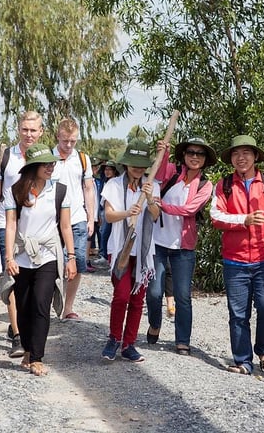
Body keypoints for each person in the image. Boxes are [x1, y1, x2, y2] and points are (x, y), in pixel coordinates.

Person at [210, 135, 264, 375]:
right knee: (238, 314)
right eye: (237, 154)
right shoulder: (224, 184)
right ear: (231, 159)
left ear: (255, 156)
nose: (241, 158)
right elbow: (216, 216)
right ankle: (243, 361)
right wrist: (243, 220)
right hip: (234, 260)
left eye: (246, 153)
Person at [3, 143, 78, 376]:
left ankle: (37, 357)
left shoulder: (59, 190)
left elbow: (65, 226)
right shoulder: (15, 191)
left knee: (40, 304)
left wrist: (71, 257)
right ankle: (26, 348)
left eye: (52, 163)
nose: (50, 167)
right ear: (33, 166)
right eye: (45, 164)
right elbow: (11, 224)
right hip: (22, 256)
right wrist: (8, 257)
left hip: (47, 255)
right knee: (24, 307)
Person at [147, 136, 216, 355]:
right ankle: (155, 323)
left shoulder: (206, 185)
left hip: (184, 246)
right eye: (191, 152)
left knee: (183, 295)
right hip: (158, 241)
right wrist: (164, 151)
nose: (195, 157)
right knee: (155, 291)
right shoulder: (173, 172)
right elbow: (158, 174)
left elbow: (190, 209)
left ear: (205, 159)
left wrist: (164, 206)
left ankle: (182, 340)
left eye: (200, 154)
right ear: (184, 155)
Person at [100, 139, 160, 362]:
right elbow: (108, 215)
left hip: (144, 253)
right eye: (133, 163)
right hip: (120, 249)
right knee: (121, 295)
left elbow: (155, 215)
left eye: (141, 164)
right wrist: (127, 213)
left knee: (137, 300)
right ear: (126, 164)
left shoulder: (153, 184)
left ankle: (129, 344)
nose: (137, 168)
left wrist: (150, 199)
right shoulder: (114, 185)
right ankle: (114, 338)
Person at [0, 110, 44, 357]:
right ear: (18, 130)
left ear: (41, 132)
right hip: (8, 225)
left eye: (33, 130)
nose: (29, 134)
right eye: (25, 129)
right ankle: (17, 335)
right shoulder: (7, 157)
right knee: (13, 279)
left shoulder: (45, 157)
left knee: (33, 285)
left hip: (38, 231)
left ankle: (26, 328)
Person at [50, 117, 95, 321]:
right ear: (58, 136)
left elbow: (88, 189)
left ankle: (68, 307)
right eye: (65, 141)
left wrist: (91, 218)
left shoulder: (83, 159)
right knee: (51, 264)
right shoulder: (48, 158)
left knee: (77, 261)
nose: (68, 145)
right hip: (51, 220)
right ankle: (49, 299)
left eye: (73, 141)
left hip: (77, 217)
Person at [95, 160, 119, 266]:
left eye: (109, 169)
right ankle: (104, 254)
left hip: (112, 210)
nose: (107, 171)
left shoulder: (116, 182)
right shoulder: (104, 181)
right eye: (106, 169)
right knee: (103, 232)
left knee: (106, 232)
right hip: (103, 209)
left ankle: (105, 255)